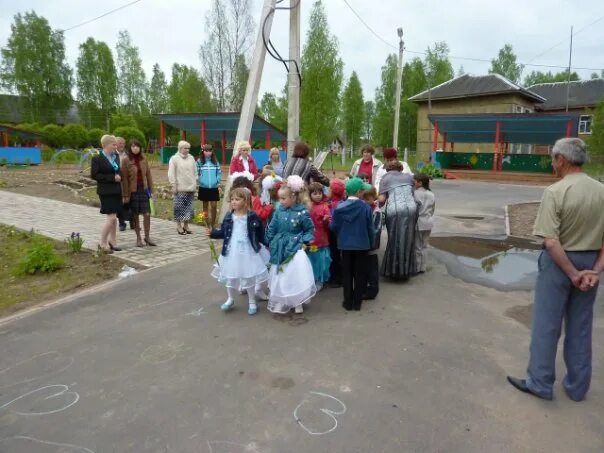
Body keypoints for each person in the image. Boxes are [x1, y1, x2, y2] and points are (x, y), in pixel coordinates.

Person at [507, 138, 604, 402]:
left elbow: (550, 240)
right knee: (581, 328)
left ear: (561, 159)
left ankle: (540, 382)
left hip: (559, 264)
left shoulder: (556, 192)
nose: (552, 164)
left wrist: (573, 274)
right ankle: (577, 387)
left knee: (546, 326)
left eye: (553, 158)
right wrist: (594, 271)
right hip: (590, 262)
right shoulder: (601, 191)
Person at [209, 188, 269, 316]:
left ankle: (252, 301)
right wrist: (213, 233)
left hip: (248, 251)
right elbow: (223, 232)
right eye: (232, 199)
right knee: (229, 275)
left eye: (237, 199)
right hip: (231, 251)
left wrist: (268, 243)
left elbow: (260, 234)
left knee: (248, 276)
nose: (233, 202)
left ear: (246, 201)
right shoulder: (229, 216)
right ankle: (230, 298)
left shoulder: (252, 217)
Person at [265, 176, 316, 314]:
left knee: (294, 275)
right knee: (281, 275)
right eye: (279, 198)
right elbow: (272, 226)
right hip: (280, 247)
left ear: (293, 197)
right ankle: (283, 300)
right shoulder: (278, 211)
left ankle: (297, 301)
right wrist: (268, 239)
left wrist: (305, 242)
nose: (280, 201)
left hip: (295, 247)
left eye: (283, 198)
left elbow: (309, 229)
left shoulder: (302, 212)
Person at [330, 178, 374, 311]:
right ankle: (357, 302)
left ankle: (347, 301)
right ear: (360, 192)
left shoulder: (339, 208)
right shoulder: (366, 207)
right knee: (360, 273)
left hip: (345, 244)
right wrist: (370, 242)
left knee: (347, 273)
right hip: (362, 244)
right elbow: (370, 228)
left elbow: (334, 227)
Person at [378, 161, 417, 281]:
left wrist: (375, 202)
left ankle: (394, 271)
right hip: (412, 209)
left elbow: (382, 200)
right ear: (400, 169)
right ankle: (406, 270)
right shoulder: (409, 177)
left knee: (394, 239)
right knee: (408, 239)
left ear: (387, 170)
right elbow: (412, 194)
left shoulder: (385, 178)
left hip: (395, 211)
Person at [90, 135, 123, 253]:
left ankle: (113, 241)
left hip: (116, 191)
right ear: (106, 145)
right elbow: (95, 175)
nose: (116, 146)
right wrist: (112, 178)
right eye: (113, 144)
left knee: (115, 219)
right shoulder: (97, 159)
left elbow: (119, 172)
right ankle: (102, 243)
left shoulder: (116, 157)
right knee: (111, 218)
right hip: (106, 191)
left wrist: (119, 177)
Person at [121, 139, 156, 247]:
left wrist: (152, 190)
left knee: (147, 214)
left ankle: (147, 237)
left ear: (140, 148)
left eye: (137, 146)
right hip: (133, 191)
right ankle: (138, 238)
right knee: (135, 215)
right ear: (130, 148)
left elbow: (148, 175)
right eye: (133, 146)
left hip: (144, 190)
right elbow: (124, 179)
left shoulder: (144, 159)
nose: (135, 148)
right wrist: (125, 195)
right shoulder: (126, 160)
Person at [168, 140, 197, 235]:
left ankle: (186, 225)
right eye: (185, 148)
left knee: (189, 207)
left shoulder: (192, 158)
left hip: (190, 187)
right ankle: (179, 226)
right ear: (180, 148)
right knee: (179, 207)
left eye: (188, 148)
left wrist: (195, 181)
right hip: (180, 187)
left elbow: (195, 171)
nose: (187, 150)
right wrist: (173, 185)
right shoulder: (174, 159)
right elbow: (171, 173)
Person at [307, 182, 332, 291]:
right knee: (312, 259)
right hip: (311, 240)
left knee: (322, 261)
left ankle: (320, 280)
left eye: (320, 193)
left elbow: (330, 223)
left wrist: (326, 220)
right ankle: (312, 278)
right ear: (309, 195)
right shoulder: (307, 206)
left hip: (322, 240)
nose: (318, 195)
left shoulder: (325, 207)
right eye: (314, 193)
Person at [363, 186, 382, 299]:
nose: (365, 202)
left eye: (368, 199)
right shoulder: (365, 209)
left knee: (372, 268)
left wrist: (370, 242)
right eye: (363, 199)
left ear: (373, 198)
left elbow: (375, 229)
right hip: (364, 245)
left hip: (371, 245)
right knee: (365, 267)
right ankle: (365, 288)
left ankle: (372, 290)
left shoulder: (376, 211)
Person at [413, 173, 435, 274]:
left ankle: (417, 267)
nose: (413, 182)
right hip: (429, 221)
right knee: (425, 246)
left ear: (420, 183)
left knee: (417, 246)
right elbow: (433, 209)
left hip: (419, 222)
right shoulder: (431, 194)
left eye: (415, 181)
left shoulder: (415, 193)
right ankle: (423, 267)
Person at [196, 144, 222, 229]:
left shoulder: (215, 162)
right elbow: (196, 173)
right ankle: (206, 223)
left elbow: (219, 173)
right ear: (203, 151)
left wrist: (217, 180)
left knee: (214, 206)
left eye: (210, 151)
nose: (208, 152)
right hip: (203, 187)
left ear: (212, 152)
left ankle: (212, 224)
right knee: (205, 206)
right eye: (206, 151)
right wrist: (201, 181)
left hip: (214, 188)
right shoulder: (199, 162)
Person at [327, 178, 346, 287]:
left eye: (329, 189)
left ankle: (336, 278)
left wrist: (327, 222)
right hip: (342, 234)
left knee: (335, 256)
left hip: (334, 234)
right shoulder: (342, 202)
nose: (327, 191)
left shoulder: (334, 205)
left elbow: (334, 222)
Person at [115, 136, 129, 232]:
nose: (122, 145)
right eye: (120, 143)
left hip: (127, 181)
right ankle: (122, 222)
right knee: (120, 203)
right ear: (115, 144)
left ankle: (132, 221)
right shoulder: (112, 155)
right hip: (117, 182)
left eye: (123, 143)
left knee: (129, 201)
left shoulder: (128, 154)